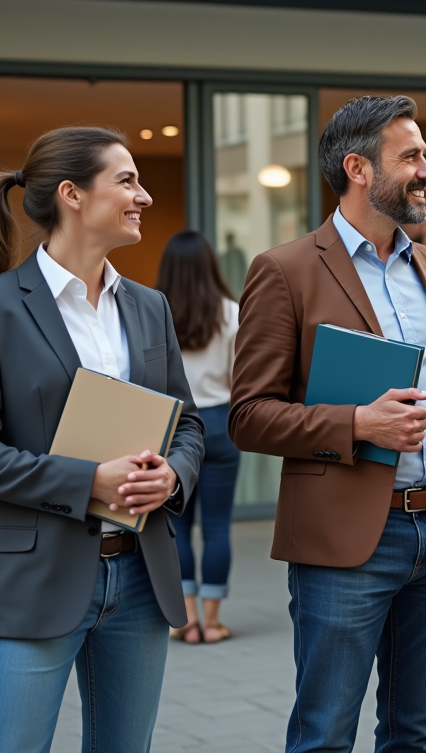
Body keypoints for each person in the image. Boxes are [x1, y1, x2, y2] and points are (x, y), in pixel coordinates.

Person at [228, 95, 426, 753]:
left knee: (415, 734)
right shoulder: (284, 271)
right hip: (345, 544)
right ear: (359, 169)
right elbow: (248, 416)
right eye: (412, 157)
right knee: (324, 737)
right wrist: (356, 423)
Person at [0, 127, 205, 753]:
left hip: (140, 578)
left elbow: (186, 422)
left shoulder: (149, 307)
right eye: (127, 180)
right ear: (72, 195)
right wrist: (90, 481)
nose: (144, 195)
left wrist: (173, 476)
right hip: (33, 576)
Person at [156, 230, 242, 644]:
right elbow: (236, 378)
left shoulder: (155, 311)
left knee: (177, 526)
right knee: (218, 527)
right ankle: (212, 622)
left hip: (173, 427)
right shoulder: (230, 312)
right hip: (221, 424)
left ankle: (186, 620)